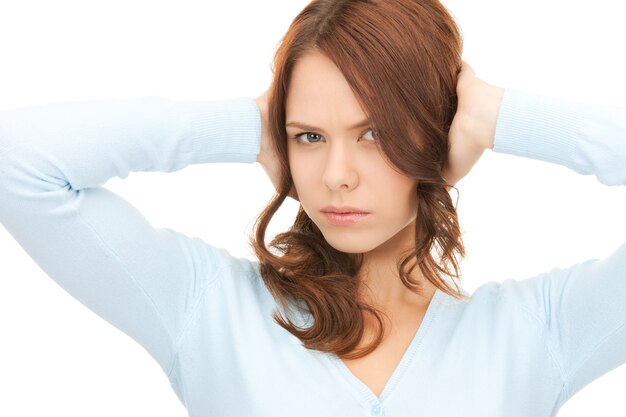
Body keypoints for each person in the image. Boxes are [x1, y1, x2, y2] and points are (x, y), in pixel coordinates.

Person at [0, 0, 624, 416]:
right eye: (310, 136)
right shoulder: (206, 306)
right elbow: (17, 158)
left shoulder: (540, 331)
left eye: (375, 133)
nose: (336, 177)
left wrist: (500, 115)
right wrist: (243, 126)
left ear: (439, 132)